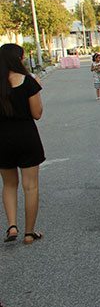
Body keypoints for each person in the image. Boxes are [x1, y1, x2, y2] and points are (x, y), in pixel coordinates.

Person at [0, 43, 45, 245]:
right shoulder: (28, 82)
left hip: (2, 139)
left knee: (9, 185)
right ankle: (29, 232)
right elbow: (37, 114)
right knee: (30, 186)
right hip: (26, 137)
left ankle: (11, 226)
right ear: (18, 59)